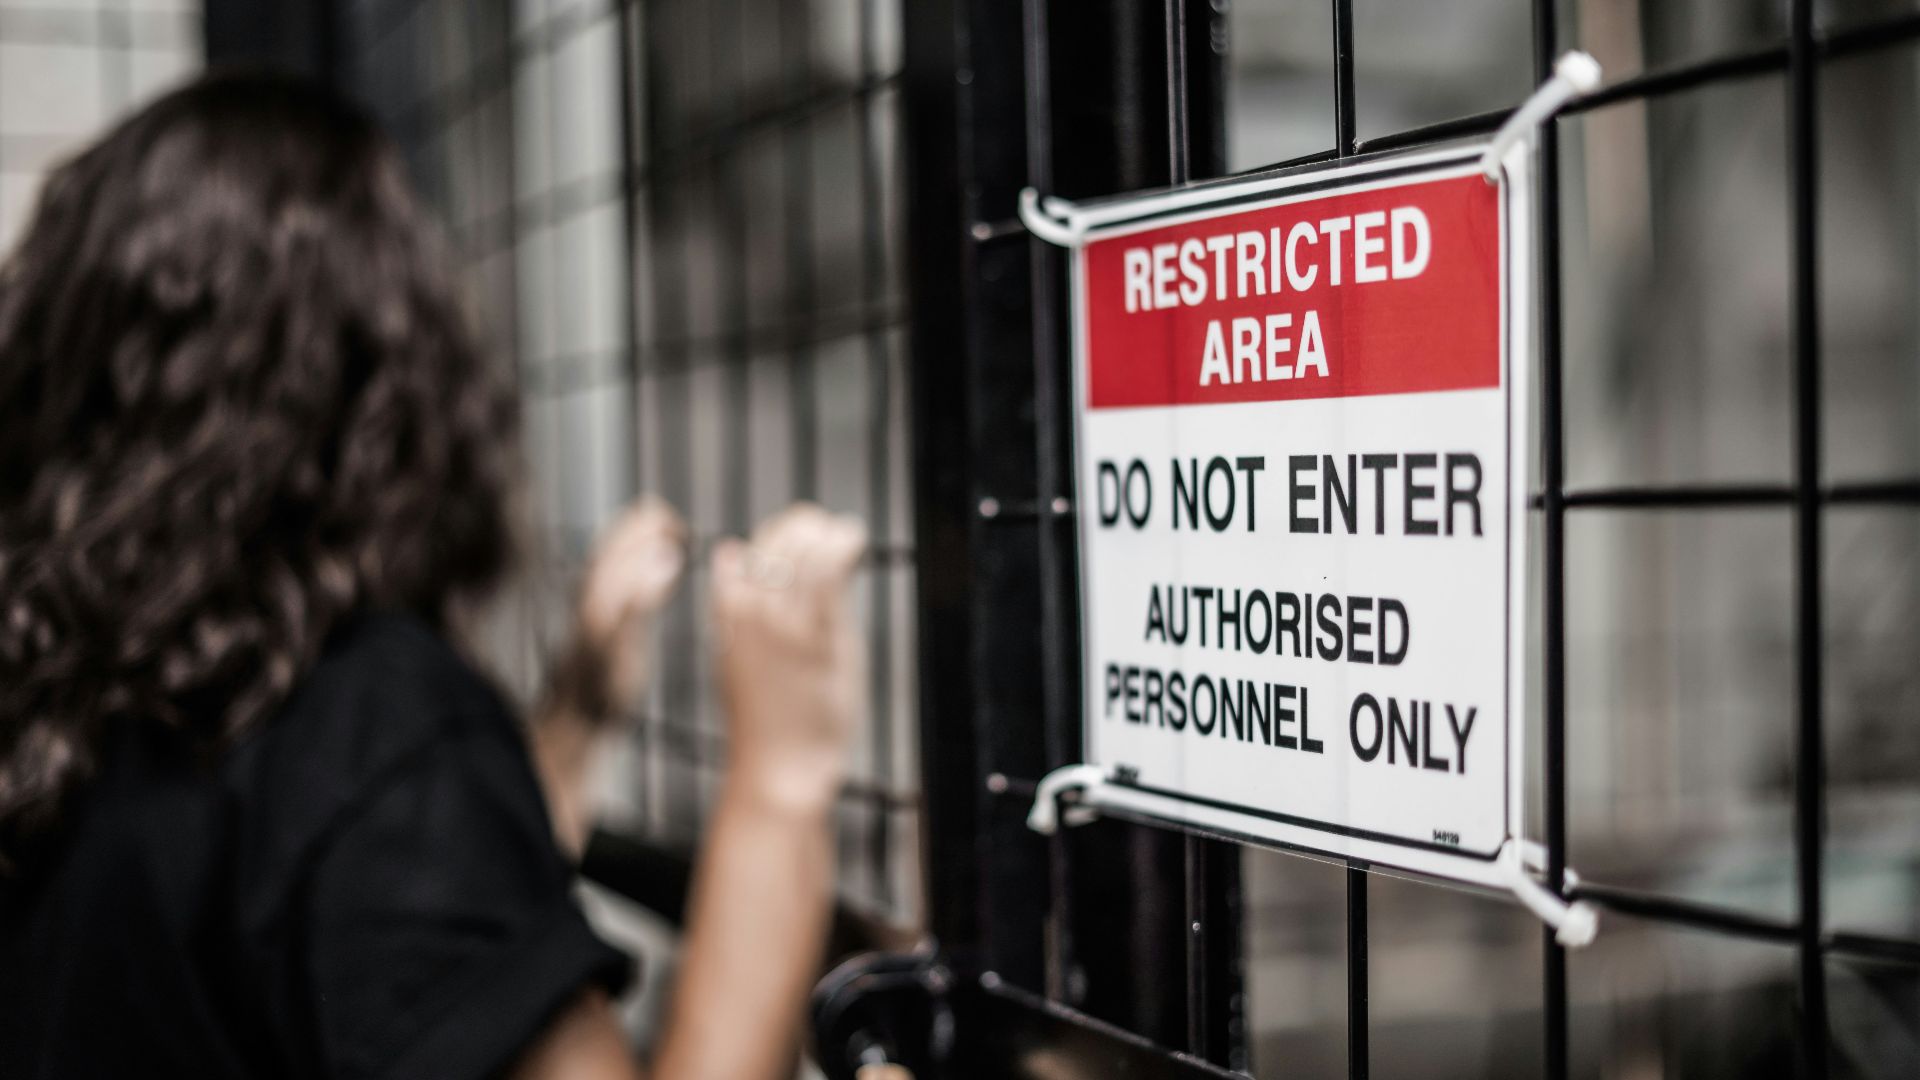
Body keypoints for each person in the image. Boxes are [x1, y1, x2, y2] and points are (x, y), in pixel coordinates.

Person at [0, 72, 867, 1080]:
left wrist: (574, 722)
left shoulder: (60, 698)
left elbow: (338, 926)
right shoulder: (368, 720)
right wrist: (779, 780)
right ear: (385, 379)